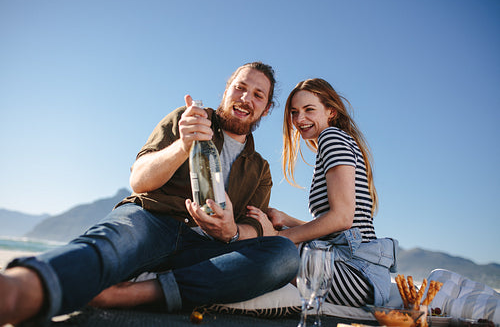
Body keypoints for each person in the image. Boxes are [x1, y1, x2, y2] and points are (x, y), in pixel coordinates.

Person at [0, 62, 300, 326]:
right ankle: (20, 291)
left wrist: (232, 231)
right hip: (152, 220)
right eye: (240, 88)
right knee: (111, 243)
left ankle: (134, 293)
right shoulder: (186, 119)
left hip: (204, 251)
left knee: (284, 255)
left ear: (267, 108)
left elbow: (257, 228)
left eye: (258, 95)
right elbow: (139, 180)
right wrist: (183, 145)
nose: (246, 98)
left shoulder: (260, 169)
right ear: (226, 90)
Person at [246, 78, 397, 307]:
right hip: (358, 270)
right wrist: (288, 221)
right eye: (294, 112)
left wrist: (280, 238)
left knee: (262, 248)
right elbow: (336, 228)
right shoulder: (337, 142)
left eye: (309, 110)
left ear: (331, 112)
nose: (299, 119)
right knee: (265, 244)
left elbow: (342, 219)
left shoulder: (331, 138)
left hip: (356, 275)